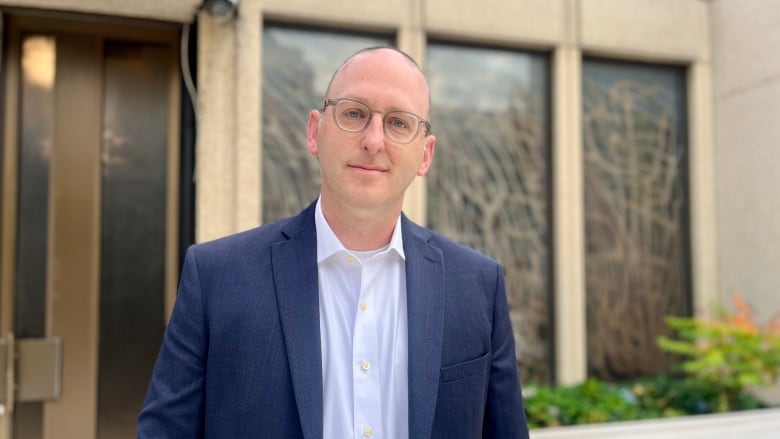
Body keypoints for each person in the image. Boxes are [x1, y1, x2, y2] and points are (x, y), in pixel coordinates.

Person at [137, 46, 529, 439]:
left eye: (398, 123)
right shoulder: (216, 278)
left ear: (425, 155)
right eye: (354, 113)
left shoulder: (479, 286)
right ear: (314, 131)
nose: (374, 140)